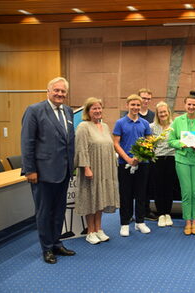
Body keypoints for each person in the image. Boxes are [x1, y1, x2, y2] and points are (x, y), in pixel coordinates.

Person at [21, 77, 76, 264]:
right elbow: (27, 142)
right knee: (44, 212)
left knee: (59, 211)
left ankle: (56, 243)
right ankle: (46, 248)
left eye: (63, 92)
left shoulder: (68, 111)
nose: (60, 94)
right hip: (42, 173)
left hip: (64, 172)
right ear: (48, 91)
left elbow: (69, 142)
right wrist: (30, 170)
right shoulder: (34, 111)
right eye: (57, 90)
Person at [74, 97, 120, 245]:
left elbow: (109, 147)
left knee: (101, 199)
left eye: (99, 108)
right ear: (88, 111)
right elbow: (81, 149)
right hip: (91, 169)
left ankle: (99, 229)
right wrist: (86, 168)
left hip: (105, 169)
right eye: (94, 108)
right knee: (91, 199)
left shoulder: (105, 126)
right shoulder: (83, 126)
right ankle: (90, 231)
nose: (98, 111)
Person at [168, 95, 195, 236]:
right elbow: (171, 141)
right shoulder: (177, 121)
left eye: (194, 105)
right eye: (189, 104)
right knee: (186, 192)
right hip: (182, 160)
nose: (191, 107)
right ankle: (187, 221)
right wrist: (181, 144)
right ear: (185, 105)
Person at [113, 94, 152, 237]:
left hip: (143, 164)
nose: (135, 107)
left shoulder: (145, 124)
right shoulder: (120, 123)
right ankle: (124, 223)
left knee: (141, 193)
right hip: (125, 164)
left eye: (137, 105)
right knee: (126, 194)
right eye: (133, 105)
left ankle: (140, 222)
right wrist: (128, 159)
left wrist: (141, 157)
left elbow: (149, 142)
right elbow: (116, 143)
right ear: (127, 105)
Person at [150, 101, 176, 228]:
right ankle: (161, 214)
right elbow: (150, 144)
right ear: (157, 114)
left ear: (168, 112)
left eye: (165, 111)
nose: (163, 114)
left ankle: (168, 213)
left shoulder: (175, 125)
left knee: (169, 187)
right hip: (157, 160)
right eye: (160, 112)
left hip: (172, 158)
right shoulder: (152, 127)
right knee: (158, 188)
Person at [138, 88, 157, 221]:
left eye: (148, 99)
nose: (146, 101)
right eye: (143, 98)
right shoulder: (132, 113)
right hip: (134, 155)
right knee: (135, 186)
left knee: (147, 184)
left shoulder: (153, 115)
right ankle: (136, 212)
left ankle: (146, 210)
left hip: (148, 156)